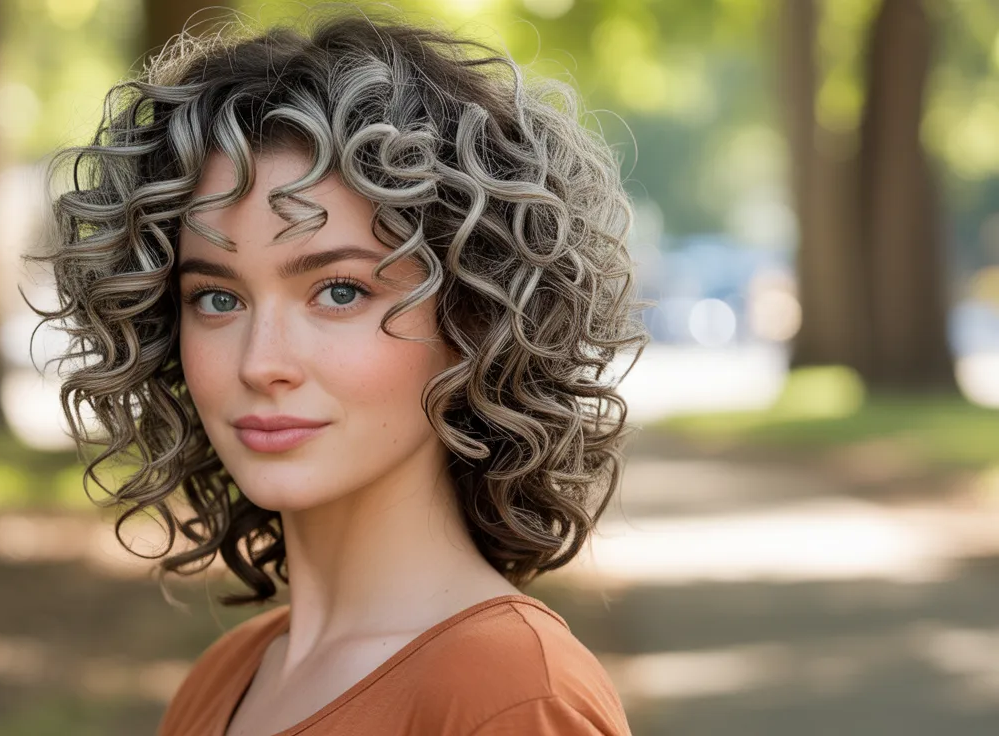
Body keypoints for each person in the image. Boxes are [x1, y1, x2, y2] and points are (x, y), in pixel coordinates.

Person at [32, 8, 647, 735]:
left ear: (474, 318)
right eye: (218, 298)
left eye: (340, 291)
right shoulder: (222, 681)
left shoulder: (512, 694)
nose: (261, 363)